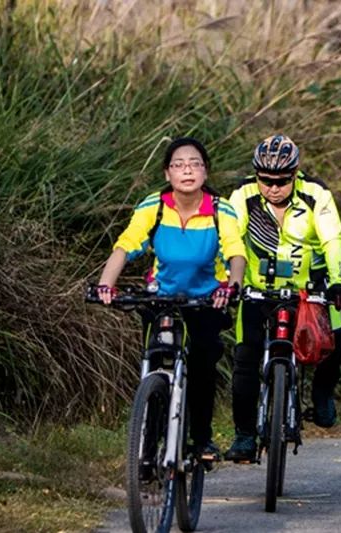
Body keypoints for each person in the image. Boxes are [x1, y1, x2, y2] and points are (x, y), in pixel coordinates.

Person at [96, 137, 246, 460]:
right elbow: (127, 244)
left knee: (203, 363)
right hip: (161, 297)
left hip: (206, 300)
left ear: (205, 172)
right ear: (167, 174)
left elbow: (235, 252)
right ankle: (147, 451)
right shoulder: (155, 206)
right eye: (178, 165)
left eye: (194, 164)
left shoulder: (221, 210)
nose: (187, 170)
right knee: (153, 361)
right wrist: (106, 284)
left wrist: (231, 287)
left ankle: (202, 439)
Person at [224, 134, 341, 462]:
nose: (273, 187)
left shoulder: (316, 194)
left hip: (311, 289)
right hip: (257, 289)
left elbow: (333, 240)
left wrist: (339, 282)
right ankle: (243, 435)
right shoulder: (243, 194)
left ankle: (321, 396)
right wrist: (228, 281)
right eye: (265, 180)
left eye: (282, 181)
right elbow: (230, 237)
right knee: (245, 360)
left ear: (295, 174)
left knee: (335, 348)